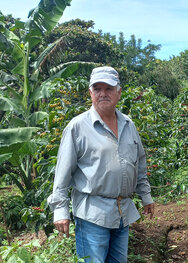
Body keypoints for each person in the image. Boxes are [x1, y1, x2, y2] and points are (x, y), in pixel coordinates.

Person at [47, 66, 154, 263]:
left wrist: (145, 196)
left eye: (108, 89)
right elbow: (62, 173)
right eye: (97, 89)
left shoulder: (128, 125)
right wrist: (60, 210)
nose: (103, 94)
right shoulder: (77, 127)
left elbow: (138, 163)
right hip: (92, 215)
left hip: (122, 212)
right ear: (90, 93)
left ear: (119, 92)